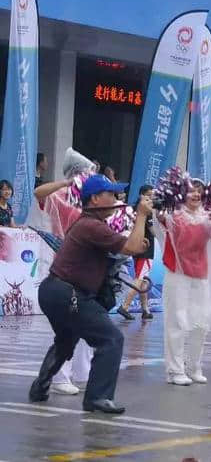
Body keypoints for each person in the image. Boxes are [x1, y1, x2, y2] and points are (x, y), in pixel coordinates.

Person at [29, 174, 152, 413]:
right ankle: (97, 397)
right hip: (69, 294)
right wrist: (142, 215)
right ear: (95, 199)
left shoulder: (89, 224)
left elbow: (128, 246)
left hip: (54, 291)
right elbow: (133, 247)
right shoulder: (92, 226)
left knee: (66, 341)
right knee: (111, 339)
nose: (116, 197)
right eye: (110, 193)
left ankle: (40, 386)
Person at [32, 148, 96, 396]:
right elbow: (38, 193)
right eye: (86, 174)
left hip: (86, 263)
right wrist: (66, 183)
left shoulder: (91, 199)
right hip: (64, 261)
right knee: (66, 322)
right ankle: (60, 375)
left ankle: (83, 371)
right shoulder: (60, 195)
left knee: (86, 317)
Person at [156, 179, 211, 385]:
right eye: (190, 191)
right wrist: (163, 200)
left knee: (200, 323)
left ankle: (194, 366)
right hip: (177, 274)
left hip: (201, 274)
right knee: (177, 322)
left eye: (199, 191)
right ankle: (175, 369)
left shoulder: (208, 217)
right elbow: (159, 216)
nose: (196, 195)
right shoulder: (174, 215)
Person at [118, 185, 155, 321]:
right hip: (146, 248)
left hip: (136, 247)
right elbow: (153, 231)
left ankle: (145, 309)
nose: (151, 198)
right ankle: (125, 306)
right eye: (149, 195)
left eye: (153, 195)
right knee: (140, 278)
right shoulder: (147, 211)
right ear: (141, 195)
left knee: (143, 279)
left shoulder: (134, 209)